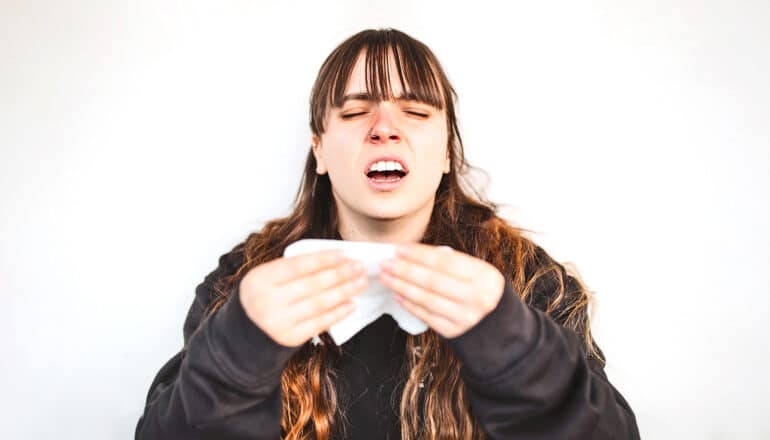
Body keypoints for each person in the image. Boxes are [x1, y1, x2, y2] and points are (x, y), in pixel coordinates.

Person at [135, 28, 641, 439]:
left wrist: (515, 347)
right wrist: (237, 353)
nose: (383, 127)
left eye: (416, 113)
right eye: (355, 113)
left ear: (446, 153)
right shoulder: (244, 282)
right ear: (319, 150)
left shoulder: (530, 282)